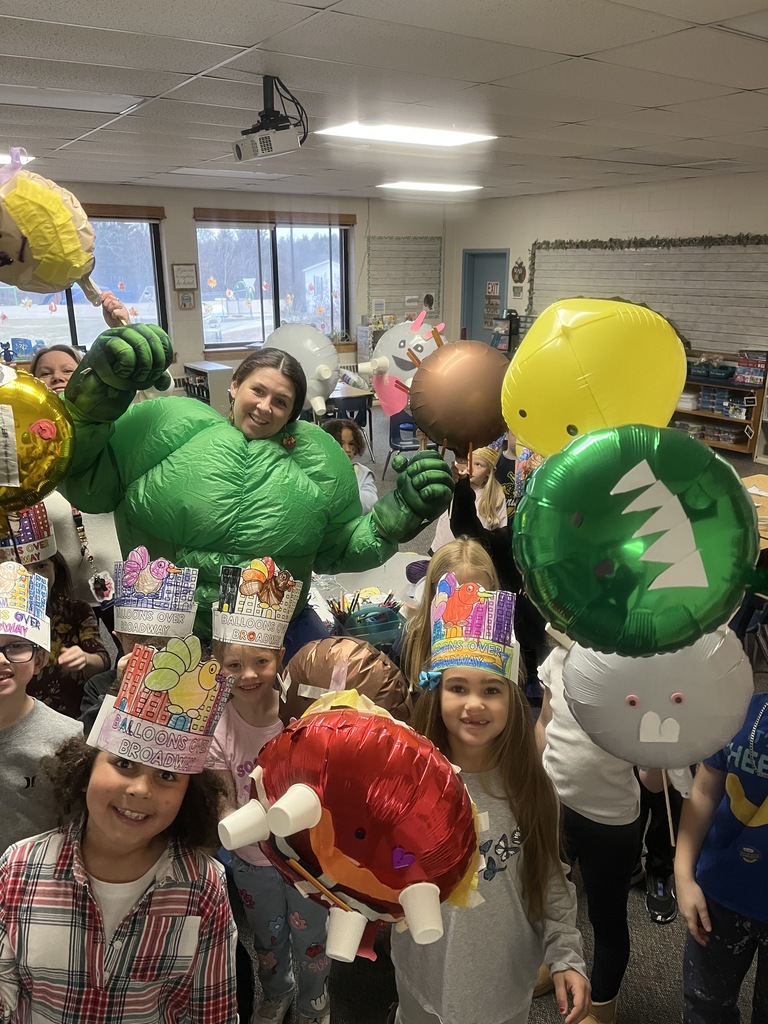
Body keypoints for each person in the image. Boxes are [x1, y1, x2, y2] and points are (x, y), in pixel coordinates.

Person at [61, 326, 453, 660]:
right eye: (258, 391)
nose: (265, 407)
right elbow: (88, 482)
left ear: (294, 411)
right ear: (235, 386)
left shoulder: (317, 456)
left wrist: (391, 519)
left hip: (271, 639)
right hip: (167, 629)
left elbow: (337, 548)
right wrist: (90, 402)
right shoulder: (165, 424)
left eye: (281, 401)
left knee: (290, 731)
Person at [0, 637, 238, 1023]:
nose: (140, 789)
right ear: (86, 768)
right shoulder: (19, 868)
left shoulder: (203, 887)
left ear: (187, 795)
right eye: (124, 764)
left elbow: (211, 1012)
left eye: (166, 775)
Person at [391, 573, 590, 1024]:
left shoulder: (532, 789)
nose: (474, 704)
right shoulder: (408, 786)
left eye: (491, 690)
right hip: (421, 984)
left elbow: (550, 881)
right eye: (458, 687)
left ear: (513, 699)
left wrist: (565, 954)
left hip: (501, 993)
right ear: (437, 692)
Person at [208, 560, 331, 1024]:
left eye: (261, 660)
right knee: (268, 938)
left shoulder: (297, 712)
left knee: (312, 937)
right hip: (252, 861)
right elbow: (222, 797)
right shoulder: (218, 726)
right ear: (219, 665)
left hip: (306, 859)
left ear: (280, 655)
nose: (248, 674)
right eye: (233, 664)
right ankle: (278, 990)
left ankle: (314, 998)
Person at [536, 633, 662, 1024]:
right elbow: (543, 723)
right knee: (545, 894)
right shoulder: (558, 658)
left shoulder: (642, 679)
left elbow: (653, 782)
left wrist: (662, 751)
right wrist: (534, 785)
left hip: (611, 821)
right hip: (554, 804)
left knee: (607, 919)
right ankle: (550, 961)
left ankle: (603, 1007)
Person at [675, 691, 768, 1023]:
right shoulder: (738, 711)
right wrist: (683, 873)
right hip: (719, 895)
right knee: (705, 1005)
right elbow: (704, 789)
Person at [30, 337, 123, 633]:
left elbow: (148, 396)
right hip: (58, 585)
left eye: (68, 370)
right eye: (45, 372)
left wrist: (121, 329)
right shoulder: (25, 447)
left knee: (133, 656)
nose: (56, 377)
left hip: (113, 574)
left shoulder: (109, 427)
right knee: (74, 664)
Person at [0, 560, 82, 856]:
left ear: (39, 659)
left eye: (16, 646)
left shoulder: (67, 738)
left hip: (37, 888)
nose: (2, 659)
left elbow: (78, 827)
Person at [0, 505, 110, 719]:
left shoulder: (75, 610)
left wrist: (86, 659)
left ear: (55, 570)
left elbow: (103, 661)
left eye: (41, 566)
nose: (32, 577)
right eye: (22, 568)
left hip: (70, 716)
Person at [396, 537, 498, 687]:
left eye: (477, 594)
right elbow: (394, 700)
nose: (461, 606)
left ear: (491, 592)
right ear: (433, 595)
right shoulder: (410, 642)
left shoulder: (504, 645)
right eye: (451, 596)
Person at [431, 446, 507, 553]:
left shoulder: (497, 495)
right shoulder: (453, 485)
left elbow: (500, 534)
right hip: (443, 548)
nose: (470, 468)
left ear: (490, 471)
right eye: (467, 462)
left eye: (478, 465)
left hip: (473, 554)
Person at [322, 417, 378, 513]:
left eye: (351, 444)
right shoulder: (320, 472)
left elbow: (371, 503)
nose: (347, 449)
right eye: (340, 444)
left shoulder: (362, 473)